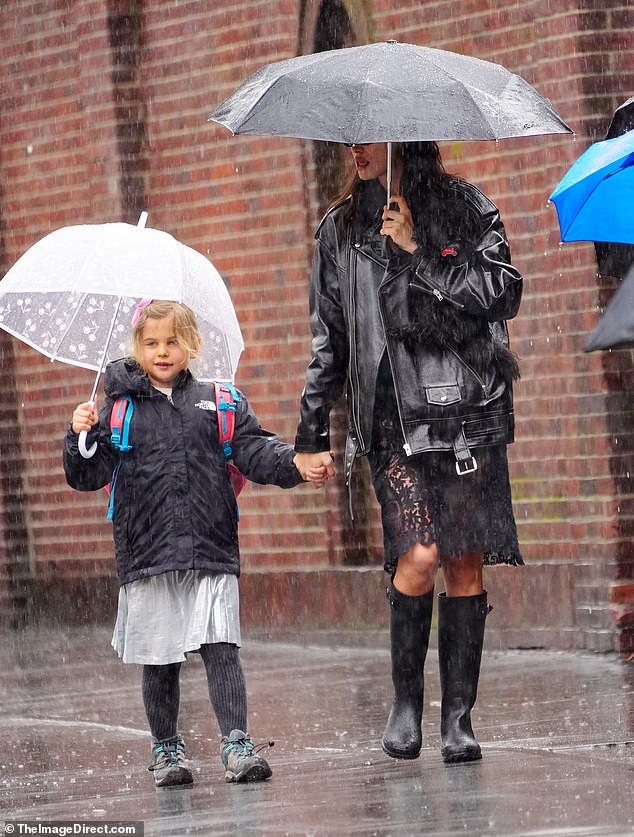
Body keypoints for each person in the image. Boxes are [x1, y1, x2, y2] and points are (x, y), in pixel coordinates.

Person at [293, 141, 524, 764]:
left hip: (465, 413)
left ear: (405, 141)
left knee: (464, 565)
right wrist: (311, 431)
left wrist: (419, 253)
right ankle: (404, 699)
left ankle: (458, 719)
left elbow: (503, 292)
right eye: (350, 139)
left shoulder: (467, 208)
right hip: (393, 418)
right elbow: (331, 338)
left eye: (366, 139)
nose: (354, 150)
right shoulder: (340, 230)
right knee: (421, 556)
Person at [64, 300, 324, 786]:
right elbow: (88, 474)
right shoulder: (116, 411)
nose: (163, 352)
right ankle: (166, 749)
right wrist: (80, 436)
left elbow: (253, 450)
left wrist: (296, 463)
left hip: (210, 545)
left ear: (193, 345)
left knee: (222, 647)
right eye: (151, 343)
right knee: (160, 658)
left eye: (173, 341)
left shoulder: (217, 402)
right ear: (136, 348)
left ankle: (236, 743)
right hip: (148, 552)